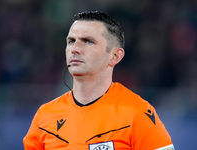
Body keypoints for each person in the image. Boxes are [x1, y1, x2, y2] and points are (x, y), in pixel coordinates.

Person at [23, 11, 175, 150]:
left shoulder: (137, 113)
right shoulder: (45, 116)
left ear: (115, 56)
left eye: (88, 41)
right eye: (71, 41)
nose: (75, 48)